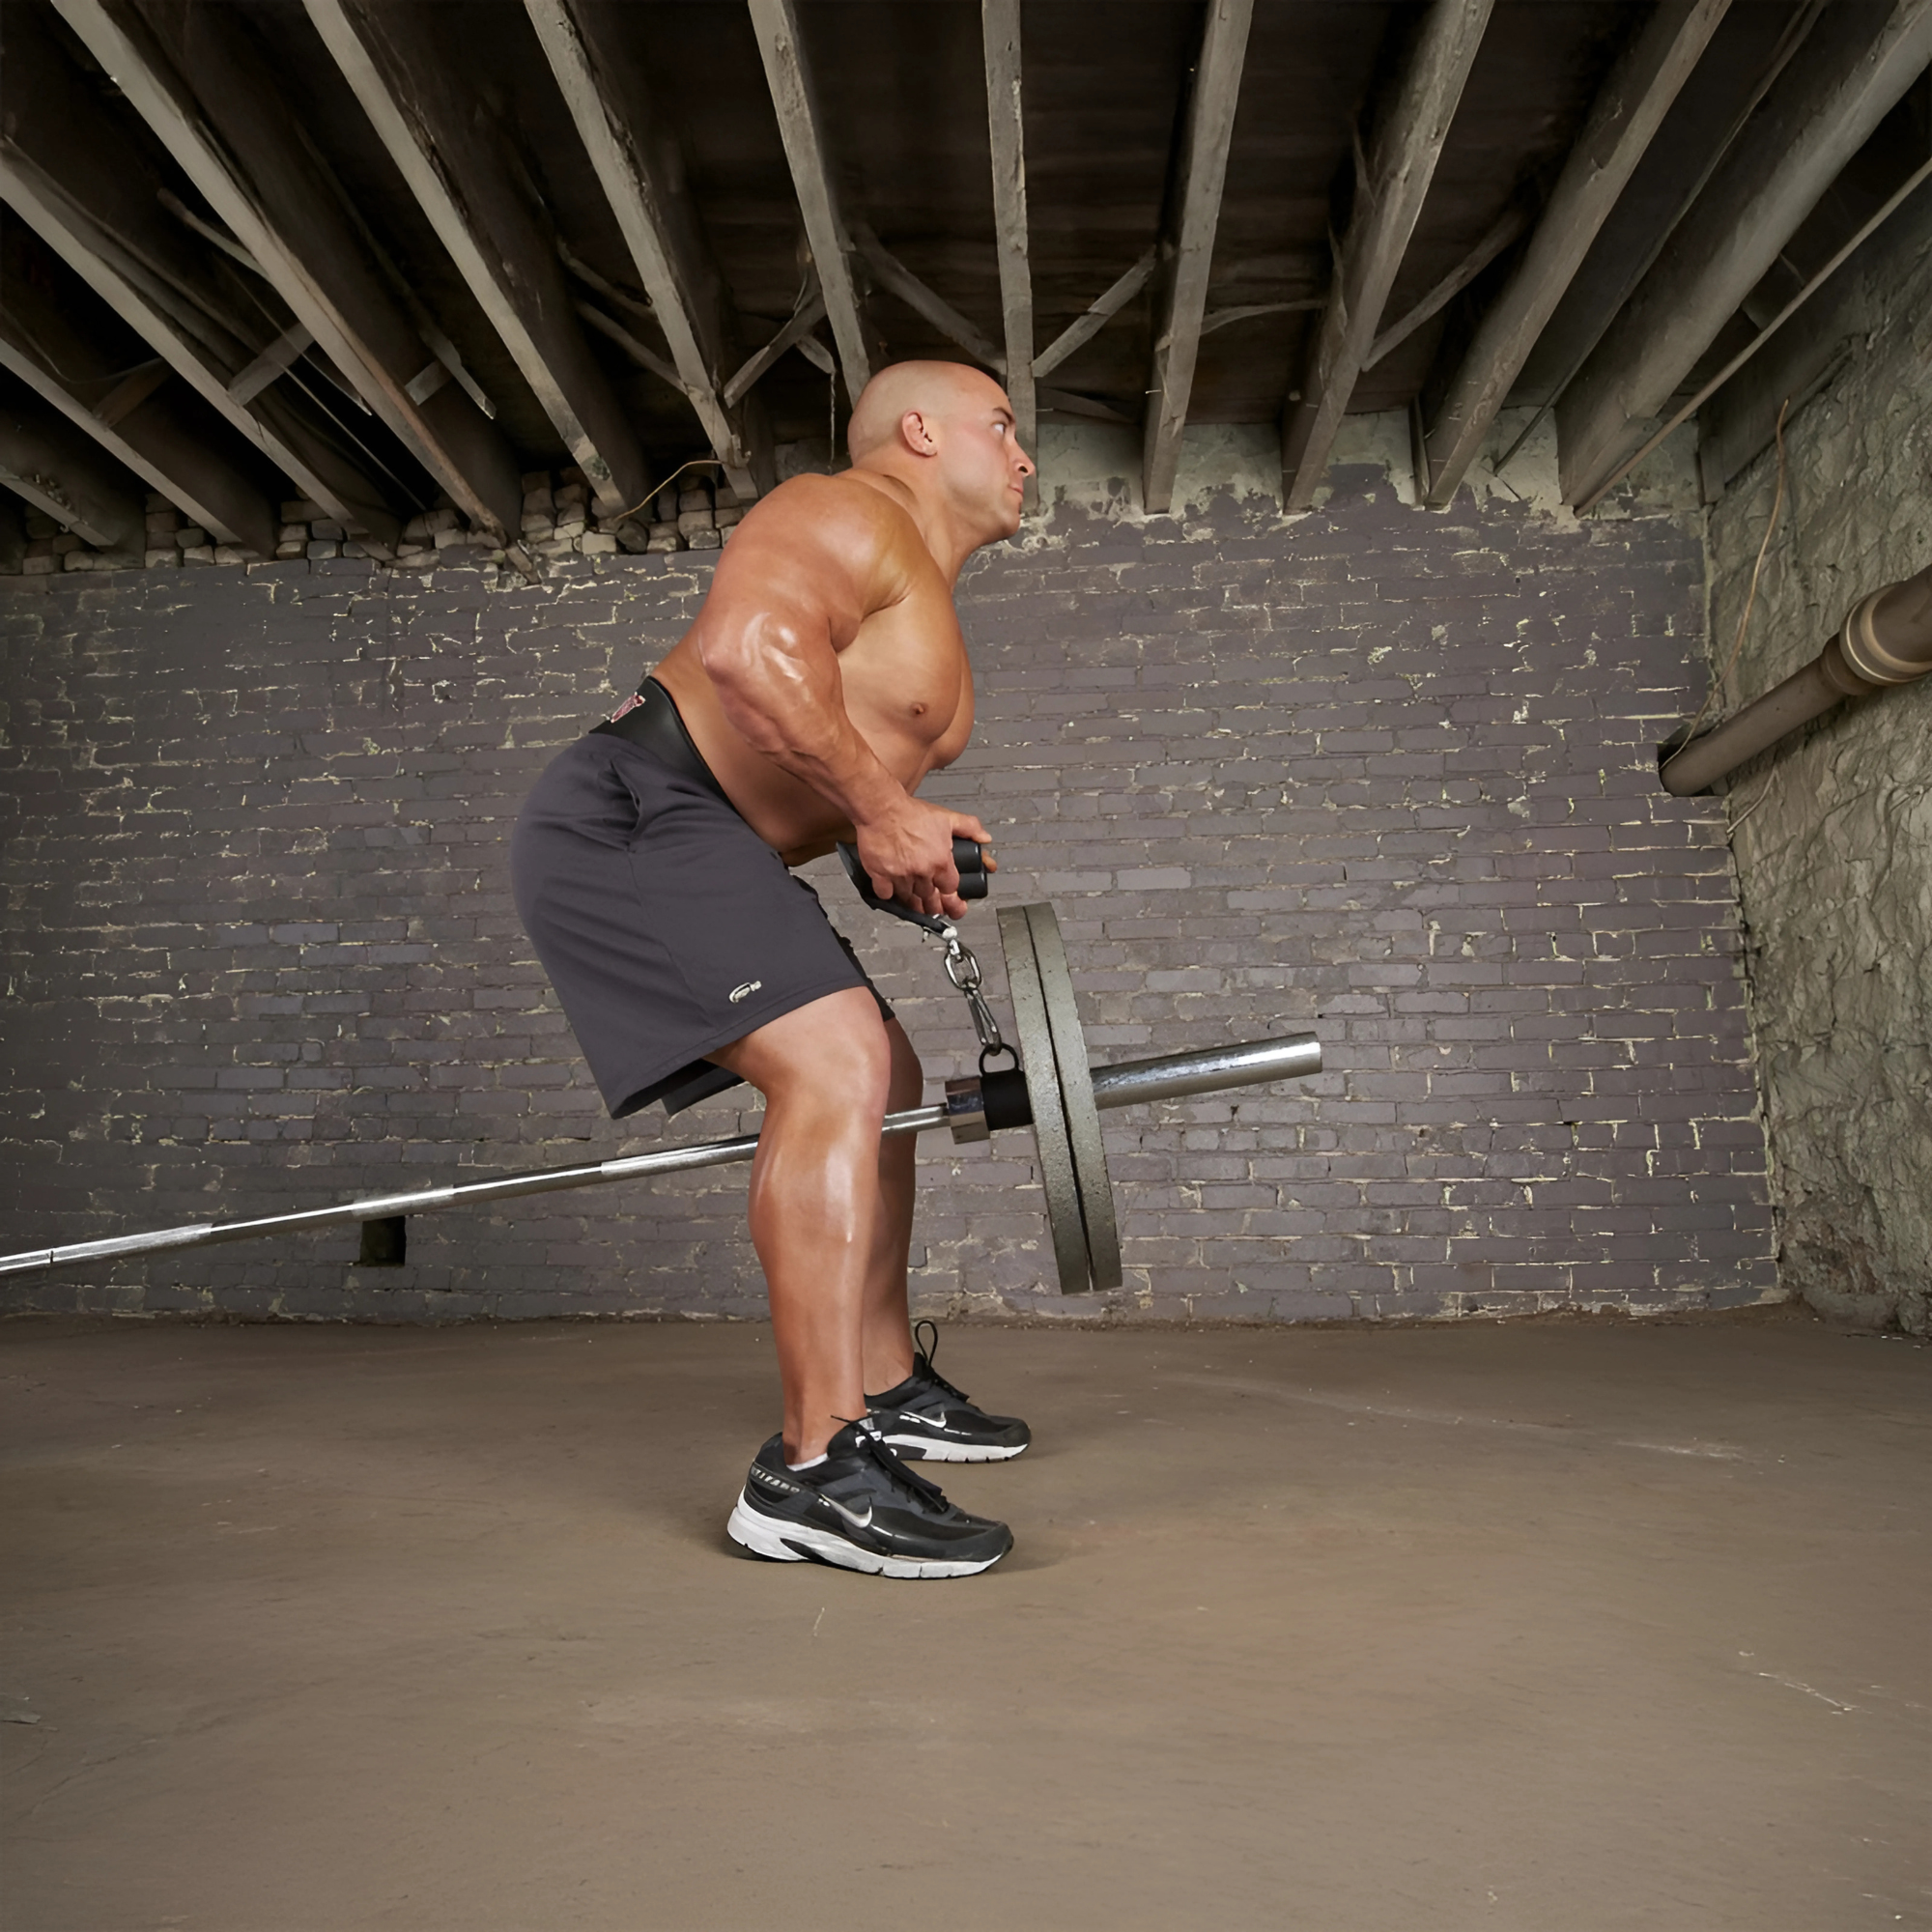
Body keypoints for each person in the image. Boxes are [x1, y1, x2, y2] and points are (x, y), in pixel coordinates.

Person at [511, 360, 1036, 1579]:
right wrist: (875, 806)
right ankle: (811, 1468)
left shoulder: (921, 597)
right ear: (919, 430)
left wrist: (882, 837)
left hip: (713, 837)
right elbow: (748, 655)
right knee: (840, 1064)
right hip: (637, 809)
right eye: (1001, 427)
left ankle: (886, 1383)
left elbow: (825, 765)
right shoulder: (842, 509)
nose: (1021, 459)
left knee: (886, 1073)